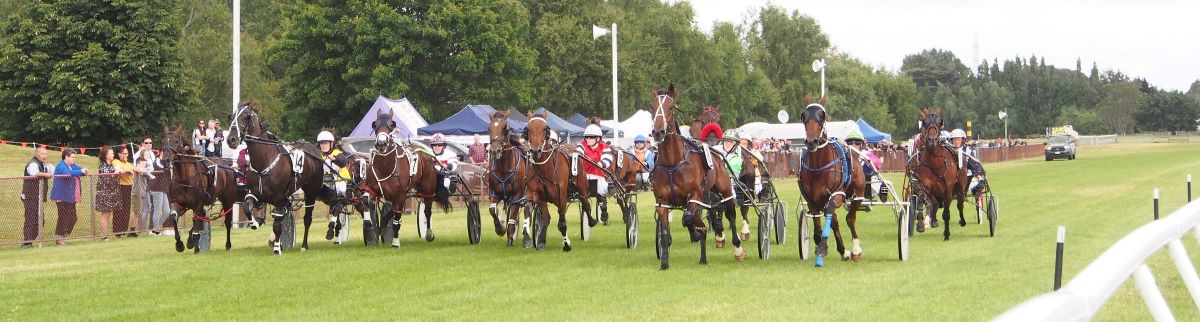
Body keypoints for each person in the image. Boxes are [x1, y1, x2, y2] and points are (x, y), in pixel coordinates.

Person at [317, 130, 352, 241]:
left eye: (326, 143)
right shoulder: (318, 155)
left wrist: (333, 158)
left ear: (331, 144)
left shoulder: (336, 153)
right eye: (321, 143)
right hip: (325, 184)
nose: (323, 145)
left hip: (340, 181)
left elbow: (343, 162)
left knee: (339, 196)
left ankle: (333, 224)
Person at [50, 148, 88, 245]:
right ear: (66, 157)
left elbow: (79, 169)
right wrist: (80, 172)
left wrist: (84, 171)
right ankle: (59, 238)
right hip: (62, 196)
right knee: (63, 217)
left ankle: (63, 235)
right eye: (72, 157)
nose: (74, 159)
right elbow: (67, 173)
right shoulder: (61, 165)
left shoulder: (72, 166)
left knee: (73, 218)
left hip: (71, 197)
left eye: (75, 157)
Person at [576, 124, 612, 223]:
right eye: (587, 137)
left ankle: (603, 206)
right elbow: (578, 152)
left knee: (602, 189)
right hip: (583, 176)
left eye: (591, 137)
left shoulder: (605, 147)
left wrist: (601, 163)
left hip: (598, 176)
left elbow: (607, 159)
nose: (588, 139)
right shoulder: (581, 145)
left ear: (598, 139)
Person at [21, 147, 54, 248]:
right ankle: (27, 242)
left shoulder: (43, 165)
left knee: (40, 220)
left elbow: (52, 171)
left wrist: (48, 172)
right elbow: (34, 173)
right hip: (30, 196)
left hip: (38, 196)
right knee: (31, 219)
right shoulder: (33, 163)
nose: (45, 156)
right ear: (37, 154)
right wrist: (46, 175)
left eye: (46, 154)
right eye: (42, 154)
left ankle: (29, 241)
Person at [95, 147, 130, 240]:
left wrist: (119, 171)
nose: (113, 154)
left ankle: (104, 234)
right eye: (111, 153)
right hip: (105, 194)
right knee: (105, 215)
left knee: (108, 215)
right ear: (106, 155)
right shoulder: (103, 166)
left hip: (112, 193)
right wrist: (115, 173)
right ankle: (104, 236)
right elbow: (106, 179)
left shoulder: (110, 165)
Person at [950, 129, 986, 207]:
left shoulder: (968, 151)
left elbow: (974, 165)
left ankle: (976, 192)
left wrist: (979, 177)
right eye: (954, 139)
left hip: (966, 178)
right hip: (952, 179)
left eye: (958, 139)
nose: (956, 141)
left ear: (962, 140)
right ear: (951, 140)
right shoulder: (948, 151)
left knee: (975, 184)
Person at [845, 130, 885, 201]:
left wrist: (870, 162)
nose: (853, 145)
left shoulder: (866, 154)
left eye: (857, 142)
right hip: (848, 185)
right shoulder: (844, 156)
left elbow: (877, 163)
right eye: (850, 143)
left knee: (869, 176)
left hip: (866, 184)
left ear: (861, 144)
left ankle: (877, 193)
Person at [112, 145, 139, 237]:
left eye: (127, 153)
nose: (126, 155)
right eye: (124, 153)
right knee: (119, 209)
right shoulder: (116, 161)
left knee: (126, 209)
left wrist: (133, 169)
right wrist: (129, 170)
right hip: (120, 186)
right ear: (119, 154)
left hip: (128, 187)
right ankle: (117, 232)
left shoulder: (127, 162)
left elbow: (134, 168)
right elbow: (120, 169)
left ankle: (124, 230)